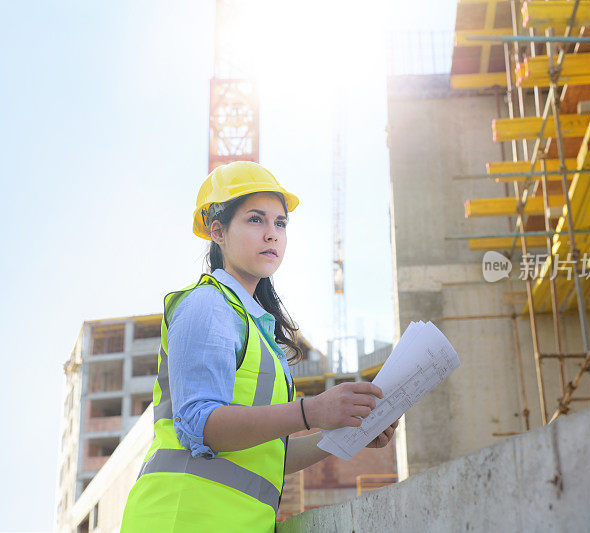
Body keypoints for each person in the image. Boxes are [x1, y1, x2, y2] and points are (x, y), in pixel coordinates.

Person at [120, 161, 398, 532]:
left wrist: (349, 434)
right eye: (255, 220)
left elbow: (267, 456)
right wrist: (313, 410)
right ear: (217, 231)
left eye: (280, 223)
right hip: (182, 517)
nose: (272, 234)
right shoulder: (206, 305)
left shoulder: (259, 330)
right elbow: (201, 426)